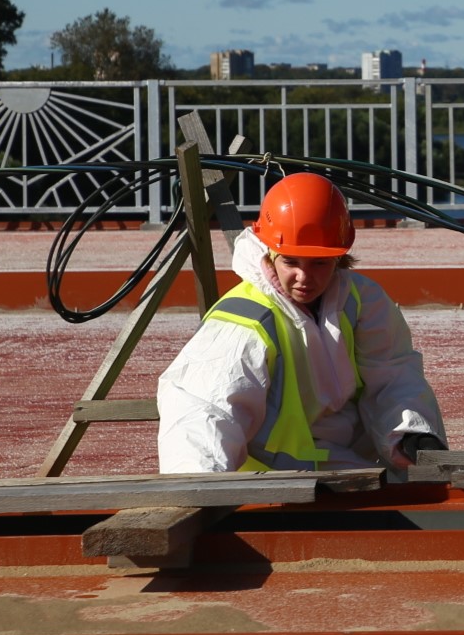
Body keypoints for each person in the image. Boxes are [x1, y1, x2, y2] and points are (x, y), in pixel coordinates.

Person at [157, 172, 447, 473]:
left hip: (350, 468)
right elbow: (204, 409)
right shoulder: (244, 321)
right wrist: (200, 487)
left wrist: (414, 433)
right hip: (269, 481)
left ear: (339, 257)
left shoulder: (362, 301)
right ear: (269, 253)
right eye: (291, 261)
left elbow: (394, 375)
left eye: (319, 263)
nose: (304, 278)